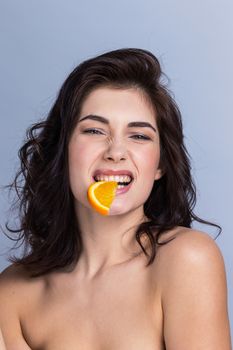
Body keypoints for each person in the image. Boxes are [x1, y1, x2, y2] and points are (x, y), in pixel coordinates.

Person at [0, 48, 231, 349]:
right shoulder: (12, 292)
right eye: (95, 130)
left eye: (139, 136)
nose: (116, 151)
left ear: (160, 165)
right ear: (63, 151)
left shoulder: (187, 260)